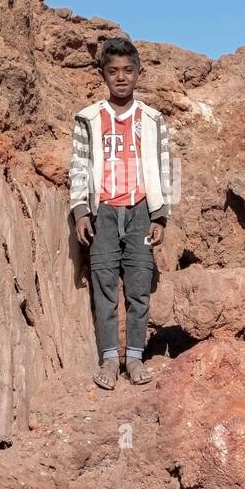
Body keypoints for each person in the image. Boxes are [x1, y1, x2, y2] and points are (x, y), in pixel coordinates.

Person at [68, 36, 173, 389]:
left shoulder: (153, 119)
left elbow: (164, 166)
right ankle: (110, 359)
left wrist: (160, 214)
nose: (121, 77)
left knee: (139, 286)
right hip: (104, 212)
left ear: (139, 73)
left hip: (141, 209)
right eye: (113, 71)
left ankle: (136, 359)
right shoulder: (89, 118)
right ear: (103, 75)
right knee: (105, 286)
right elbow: (79, 165)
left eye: (128, 70)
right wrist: (81, 210)